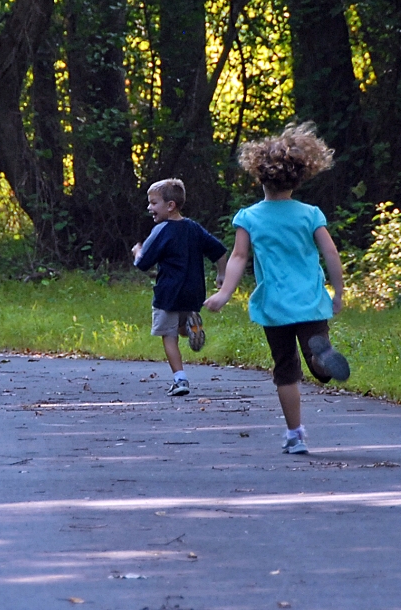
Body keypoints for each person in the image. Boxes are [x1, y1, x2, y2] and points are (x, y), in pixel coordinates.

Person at [203, 122, 350, 455]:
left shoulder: (249, 217)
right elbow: (330, 253)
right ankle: (321, 357)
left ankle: (295, 435)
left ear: (259, 175)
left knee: (285, 369)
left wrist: (224, 294)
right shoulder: (310, 214)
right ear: (300, 176)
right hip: (311, 302)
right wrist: (338, 293)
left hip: (275, 306)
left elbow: (239, 257)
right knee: (317, 363)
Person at [133, 178, 228, 397]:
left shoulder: (162, 230)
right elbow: (220, 251)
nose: (149, 208)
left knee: (168, 335)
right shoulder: (194, 228)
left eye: (154, 203)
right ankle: (191, 327)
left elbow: (142, 263)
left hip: (168, 293)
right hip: (193, 293)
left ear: (170, 205)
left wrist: (137, 250)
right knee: (180, 324)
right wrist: (221, 274)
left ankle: (180, 379)